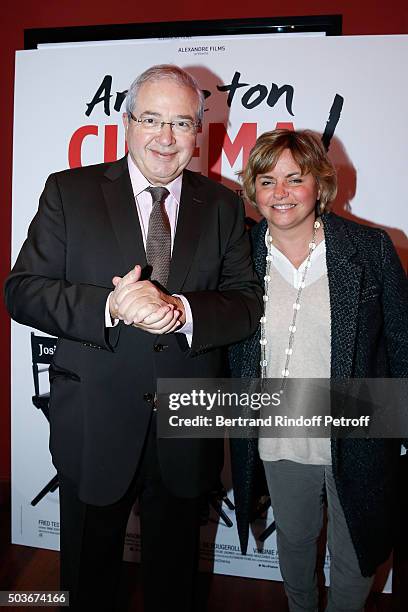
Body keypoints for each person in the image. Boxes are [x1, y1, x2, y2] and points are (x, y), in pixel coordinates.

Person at [4, 64, 262, 611]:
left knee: (175, 578)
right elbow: (23, 291)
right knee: (88, 574)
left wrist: (182, 310)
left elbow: (247, 302)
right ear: (126, 122)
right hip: (95, 421)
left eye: (182, 123)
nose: (166, 138)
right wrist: (109, 306)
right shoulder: (68, 192)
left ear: (199, 131)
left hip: (186, 420)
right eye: (151, 119)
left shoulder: (220, 206)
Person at [229, 129, 408, 611]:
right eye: (266, 181)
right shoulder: (241, 254)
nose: (280, 193)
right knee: (295, 540)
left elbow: (402, 341)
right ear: (253, 190)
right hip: (280, 432)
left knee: (355, 555)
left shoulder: (369, 249)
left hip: (358, 429)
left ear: (320, 184)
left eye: (294, 178)